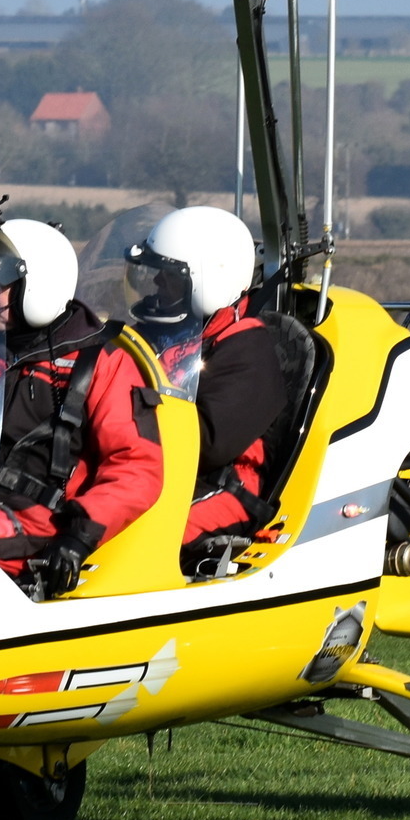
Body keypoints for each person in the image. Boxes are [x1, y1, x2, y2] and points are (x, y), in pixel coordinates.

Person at [0, 213, 163, 597]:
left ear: (38, 285)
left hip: (42, 527)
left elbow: (137, 468)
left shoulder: (100, 364)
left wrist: (78, 537)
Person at [124, 207, 288, 575]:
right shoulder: (162, 333)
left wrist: (126, 416)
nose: (157, 285)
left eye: (169, 277)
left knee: (131, 536)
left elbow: (210, 443)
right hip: (149, 470)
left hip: (222, 486)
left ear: (209, 279)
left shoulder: (247, 351)